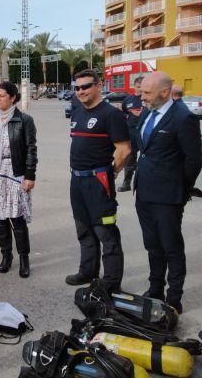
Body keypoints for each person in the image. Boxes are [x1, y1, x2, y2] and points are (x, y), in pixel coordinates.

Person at [134, 72, 202, 314]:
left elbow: (194, 160)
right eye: (141, 92)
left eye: (147, 93)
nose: (142, 97)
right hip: (144, 192)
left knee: (171, 247)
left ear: (164, 92)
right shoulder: (148, 112)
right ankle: (155, 290)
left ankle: (174, 297)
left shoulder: (184, 119)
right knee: (152, 245)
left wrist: (180, 190)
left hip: (168, 197)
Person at [66, 69, 131, 293]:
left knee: (105, 232)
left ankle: (112, 282)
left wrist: (109, 173)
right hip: (77, 181)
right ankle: (88, 271)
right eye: (77, 88)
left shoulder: (110, 114)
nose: (81, 91)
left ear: (98, 85)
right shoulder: (77, 112)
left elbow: (124, 150)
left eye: (86, 86)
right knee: (83, 229)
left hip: (98, 181)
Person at [0, 81, 37, 278]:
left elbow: (31, 149)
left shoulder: (25, 120)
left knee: (16, 217)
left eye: (2, 95)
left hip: (15, 172)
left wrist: (30, 175)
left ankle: (24, 258)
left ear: (13, 97)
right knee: (1, 217)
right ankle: (6, 256)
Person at [117, 76, 144, 192]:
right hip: (131, 133)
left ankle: (145, 184)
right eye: (138, 87)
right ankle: (126, 183)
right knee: (129, 159)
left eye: (143, 87)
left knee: (147, 159)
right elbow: (123, 113)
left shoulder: (148, 98)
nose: (141, 89)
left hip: (145, 133)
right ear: (134, 86)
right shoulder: (128, 100)